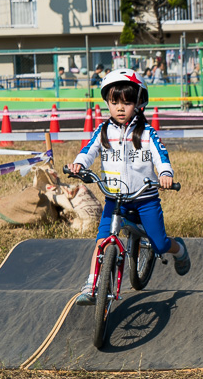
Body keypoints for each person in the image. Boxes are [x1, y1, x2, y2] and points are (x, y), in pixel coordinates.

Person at [67, 69, 191, 305]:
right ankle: (92, 284)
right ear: (107, 103)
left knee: (160, 243)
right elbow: (88, 151)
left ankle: (180, 250)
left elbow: (161, 157)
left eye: (127, 102)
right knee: (102, 241)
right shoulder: (103, 131)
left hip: (145, 199)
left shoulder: (146, 133)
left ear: (139, 102)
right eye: (114, 102)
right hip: (114, 200)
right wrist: (78, 165)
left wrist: (165, 174)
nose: (120, 108)